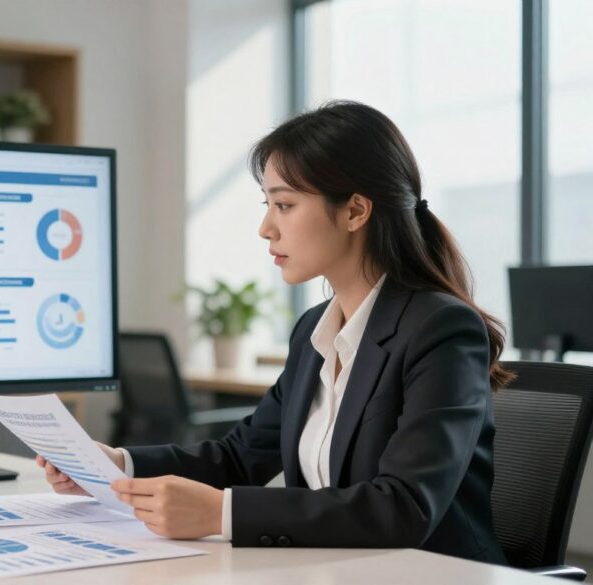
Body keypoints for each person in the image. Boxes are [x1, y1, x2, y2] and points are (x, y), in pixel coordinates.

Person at [38, 101, 512, 564]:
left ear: (355, 212)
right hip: (338, 571)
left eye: (284, 205)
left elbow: (404, 507)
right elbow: (241, 457)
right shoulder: (314, 330)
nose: (266, 228)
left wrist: (221, 512)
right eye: (268, 205)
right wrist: (116, 466)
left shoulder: (441, 329)